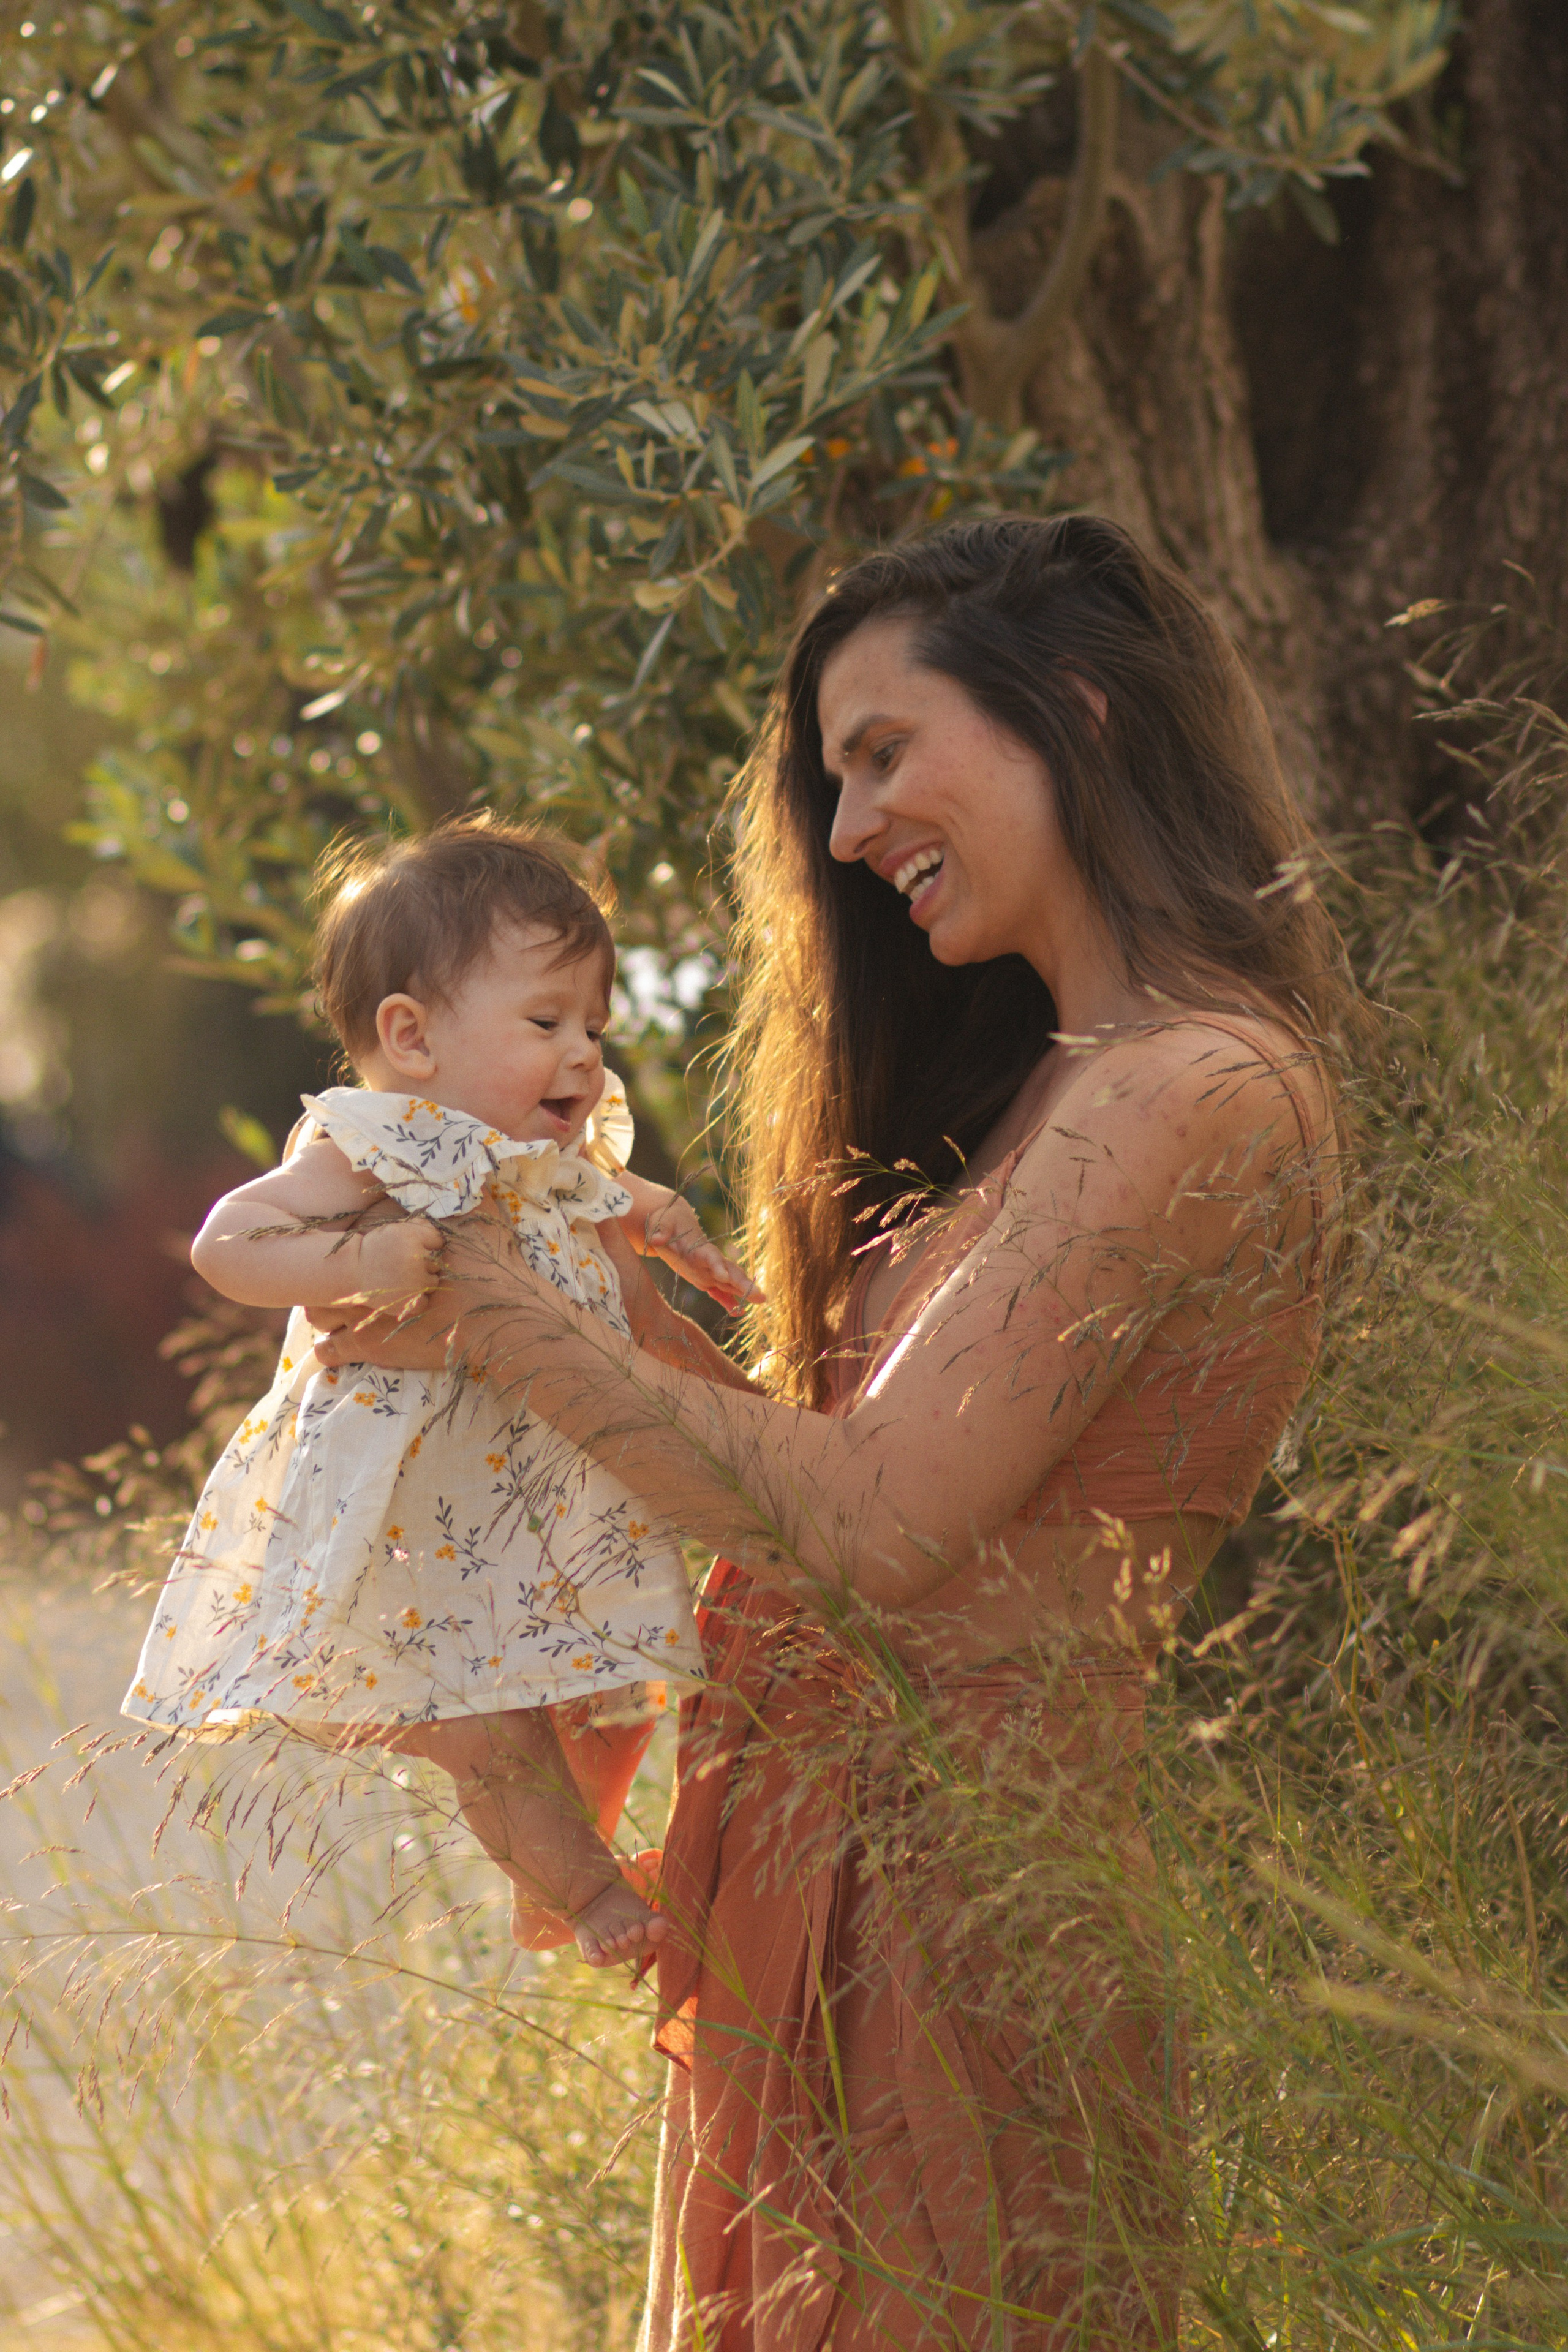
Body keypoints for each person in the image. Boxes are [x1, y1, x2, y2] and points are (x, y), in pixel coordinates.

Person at [312, 515, 1352, 2348]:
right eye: (834, 778)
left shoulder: (1202, 1082)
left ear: (1082, 713)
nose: (850, 830)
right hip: (812, 1881)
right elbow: (799, 1487)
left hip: (969, 1909)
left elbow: (876, 1529)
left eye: (883, 754)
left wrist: (475, 1286)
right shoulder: (1048, 1089)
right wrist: (583, 1274)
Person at [123, 818, 756, 1966]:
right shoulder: (374, 1146)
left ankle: (563, 1863)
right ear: (409, 1037)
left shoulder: (538, 1153)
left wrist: (662, 1220)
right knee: (485, 1725)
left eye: (595, 1028)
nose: (584, 1056)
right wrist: (358, 1263)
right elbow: (231, 1241)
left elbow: (602, 1195)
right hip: (419, 1521)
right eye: (547, 1022)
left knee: (607, 1689)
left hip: (536, 1498)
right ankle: (585, 1888)